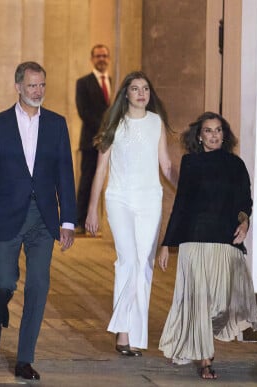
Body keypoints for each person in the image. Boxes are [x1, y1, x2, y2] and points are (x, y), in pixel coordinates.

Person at [0, 61, 76, 381]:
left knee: (38, 285)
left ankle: (24, 359)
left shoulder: (57, 124)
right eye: (32, 85)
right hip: (5, 217)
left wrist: (68, 222)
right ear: (18, 86)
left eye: (42, 85)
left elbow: (65, 175)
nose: (38, 91)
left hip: (43, 219)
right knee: (4, 281)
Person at [157, 111, 257, 379]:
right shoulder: (191, 163)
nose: (214, 135)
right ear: (200, 136)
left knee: (220, 301)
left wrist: (245, 222)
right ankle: (206, 359)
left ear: (224, 135)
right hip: (194, 241)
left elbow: (245, 202)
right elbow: (181, 205)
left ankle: (198, 346)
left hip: (224, 241)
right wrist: (165, 244)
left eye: (218, 130)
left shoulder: (235, 164)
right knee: (198, 301)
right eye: (208, 130)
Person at [85, 71, 177, 356]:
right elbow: (101, 170)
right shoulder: (115, 125)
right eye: (135, 88)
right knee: (128, 260)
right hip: (119, 198)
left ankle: (135, 335)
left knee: (144, 264)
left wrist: (186, 187)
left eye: (145, 89)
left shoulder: (156, 123)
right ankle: (123, 333)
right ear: (125, 93)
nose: (141, 93)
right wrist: (92, 210)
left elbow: (166, 165)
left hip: (150, 199)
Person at [75, 44, 111, 234]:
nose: (102, 59)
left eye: (104, 56)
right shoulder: (83, 83)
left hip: (111, 141)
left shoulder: (113, 81)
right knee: (87, 181)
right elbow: (84, 112)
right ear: (92, 59)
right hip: (91, 140)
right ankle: (80, 222)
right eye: (98, 56)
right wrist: (105, 130)